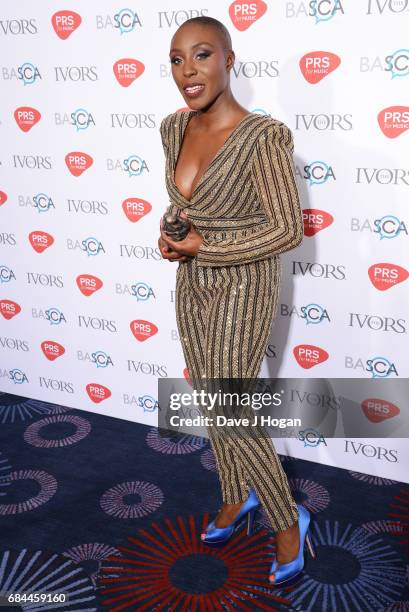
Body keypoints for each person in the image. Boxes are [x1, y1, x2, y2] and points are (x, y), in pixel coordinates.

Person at [158, 16, 313, 585]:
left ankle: (285, 519)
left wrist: (209, 244)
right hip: (191, 283)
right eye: (177, 60)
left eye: (201, 55)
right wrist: (173, 234)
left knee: (231, 404)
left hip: (245, 286)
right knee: (207, 393)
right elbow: (183, 203)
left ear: (229, 58)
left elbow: (286, 230)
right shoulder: (173, 129)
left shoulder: (263, 137)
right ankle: (234, 494)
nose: (188, 71)